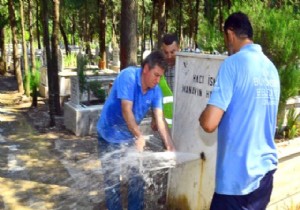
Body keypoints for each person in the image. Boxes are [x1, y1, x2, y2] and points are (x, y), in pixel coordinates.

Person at [199, 12, 280, 210]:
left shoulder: (232, 65)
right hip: (264, 178)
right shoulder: (271, 69)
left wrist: (202, 115)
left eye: (226, 39)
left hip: (237, 182)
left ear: (230, 34)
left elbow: (209, 123)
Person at [97, 50, 175, 210]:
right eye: (156, 75)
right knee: (113, 183)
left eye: (161, 76)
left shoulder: (156, 91)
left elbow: (160, 119)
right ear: (146, 68)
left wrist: (169, 145)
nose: (158, 80)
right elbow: (127, 110)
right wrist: (139, 136)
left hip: (130, 136)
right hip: (109, 134)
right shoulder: (128, 77)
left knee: (136, 178)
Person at [152, 33, 180, 130]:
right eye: (166, 52)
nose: (169, 56)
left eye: (172, 52)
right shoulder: (157, 70)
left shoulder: (186, 70)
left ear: (178, 49)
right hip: (163, 126)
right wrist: (154, 118)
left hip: (182, 125)